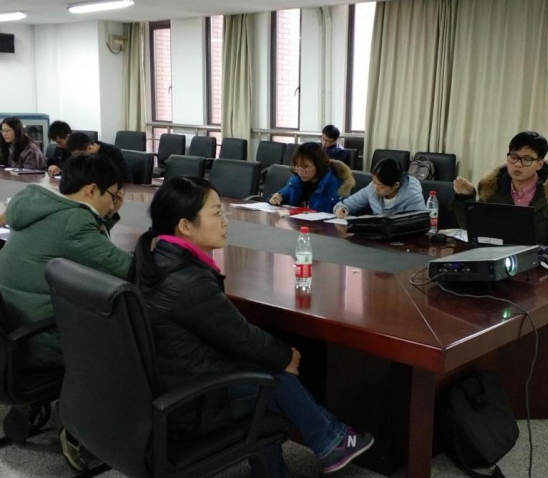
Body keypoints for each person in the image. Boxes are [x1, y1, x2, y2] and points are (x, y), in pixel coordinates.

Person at [132, 176, 374, 476]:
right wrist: (287, 355)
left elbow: (230, 334)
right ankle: (329, 441)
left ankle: (318, 446)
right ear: (185, 226)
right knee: (273, 375)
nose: (225, 221)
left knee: (265, 364)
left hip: (170, 388)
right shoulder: (187, 281)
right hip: (194, 407)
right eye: (216, 213)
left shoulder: (158, 260)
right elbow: (241, 337)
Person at [0, 155, 132, 468]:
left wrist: (107, 216)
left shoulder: (38, 207)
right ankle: (77, 426)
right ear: (92, 190)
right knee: (125, 340)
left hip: (11, 336)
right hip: (41, 341)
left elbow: (83, 247)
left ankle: (35, 403)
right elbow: (127, 269)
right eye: (113, 194)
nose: (115, 201)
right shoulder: (74, 222)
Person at [451, 131, 548, 251]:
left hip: (540, 264)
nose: (518, 164)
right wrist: (466, 196)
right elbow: (475, 229)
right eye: (514, 157)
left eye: (527, 159)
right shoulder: (493, 189)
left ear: (539, 164)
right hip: (496, 258)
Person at [269, 142, 354, 213]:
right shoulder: (297, 180)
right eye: (297, 166)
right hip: (299, 225)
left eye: (305, 167)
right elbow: (282, 194)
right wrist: (277, 197)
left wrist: (340, 211)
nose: (300, 171)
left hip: (322, 227)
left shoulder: (334, 184)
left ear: (318, 165)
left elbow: (342, 211)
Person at [334, 157, 425, 217]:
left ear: (395, 185)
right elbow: (345, 204)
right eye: (374, 182)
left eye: (381, 187)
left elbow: (416, 225)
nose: (375, 188)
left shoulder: (412, 196)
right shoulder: (371, 188)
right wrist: (341, 209)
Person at [66, 132, 133, 184]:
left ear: (90, 148)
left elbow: (126, 179)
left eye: (80, 155)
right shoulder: (80, 155)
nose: (78, 159)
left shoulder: (112, 152)